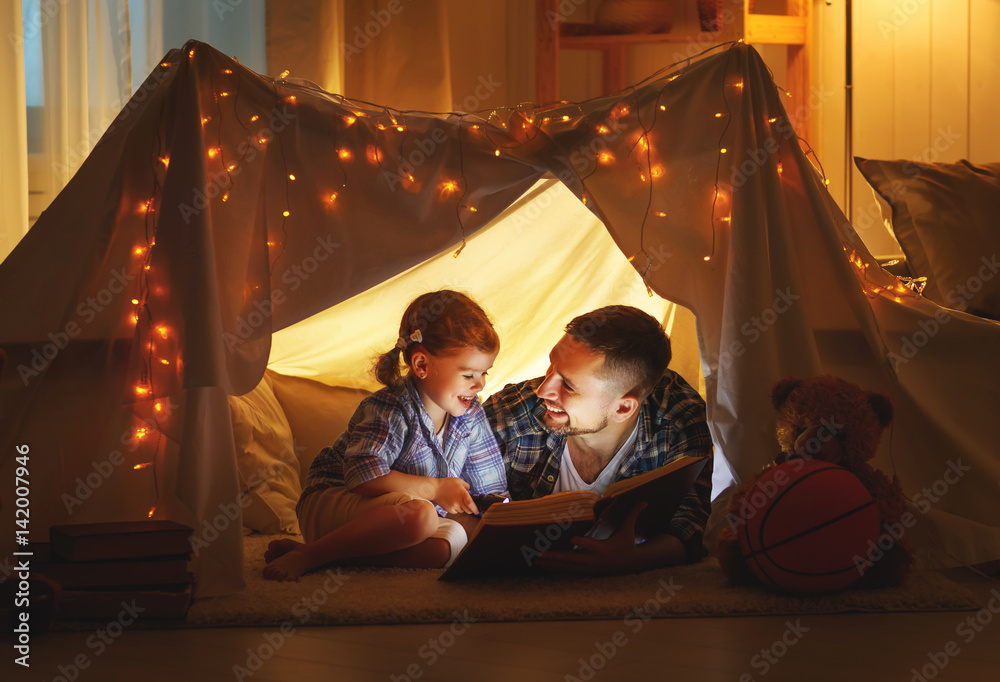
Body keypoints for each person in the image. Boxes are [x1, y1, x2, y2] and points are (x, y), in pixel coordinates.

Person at [263, 290, 508, 581]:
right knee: (421, 514)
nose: (479, 385)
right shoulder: (391, 408)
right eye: (469, 375)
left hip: (400, 523)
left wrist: (493, 514)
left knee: (455, 538)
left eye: (485, 374)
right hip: (337, 505)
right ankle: (311, 553)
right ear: (421, 365)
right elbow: (362, 477)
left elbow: (491, 491)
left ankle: (331, 556)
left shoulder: (471, 415)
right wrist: (436, 489)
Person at [482, 305, 713, 575]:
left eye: (567, 385)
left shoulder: (678, 421)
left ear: (623, 408)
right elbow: (453, 497)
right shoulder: (510, 414)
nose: (543, 390)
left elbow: (690, 525)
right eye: (550, 367)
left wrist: (632, 560)